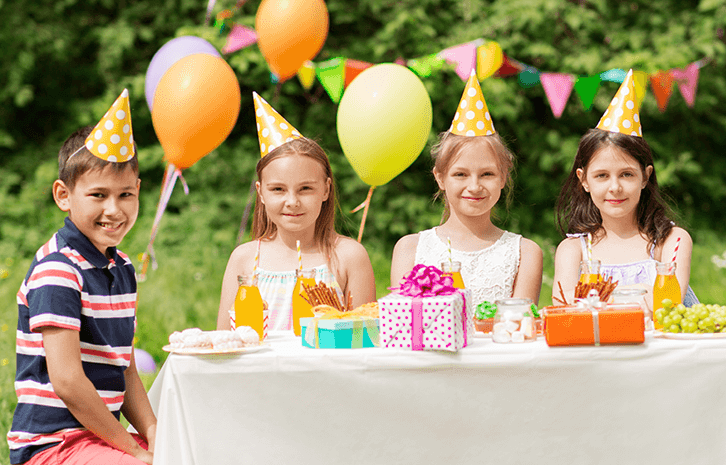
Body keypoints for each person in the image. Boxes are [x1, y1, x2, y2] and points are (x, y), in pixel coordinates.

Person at [10, 89, 157, 465]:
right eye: (98, 195)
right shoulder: (58, 270)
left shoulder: (121, 267)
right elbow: (69, 382)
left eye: (126, 194)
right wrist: (129, 447)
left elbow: (124, 366)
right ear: (64, 195)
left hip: (97, 438)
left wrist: (153, 432)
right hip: (52, 449)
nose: (115, 209)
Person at [216, 93, 376, 332]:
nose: (292, 201)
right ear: (261, 192)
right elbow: (225, 342)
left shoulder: (349, 257)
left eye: (305, 189)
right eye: (278, 189)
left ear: (325, 189)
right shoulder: (244, 259)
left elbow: (366, 342)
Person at [391, 75, 543, 308]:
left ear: (503, 177)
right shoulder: (410, 249)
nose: (474, 186)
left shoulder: (525, 254)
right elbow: (406, 325)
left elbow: (518, 327)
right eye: (460, 174)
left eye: (487, 174)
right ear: (440, 178)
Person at [552, 70, 695, 306]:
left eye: (626, 174)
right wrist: (640, 291)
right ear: (584, 180)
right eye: (601, 176)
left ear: (645, 177)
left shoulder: (671, 241)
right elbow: (564, 308)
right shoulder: (573, 250)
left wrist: (595, 298)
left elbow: (667, 302)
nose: (615, 187)